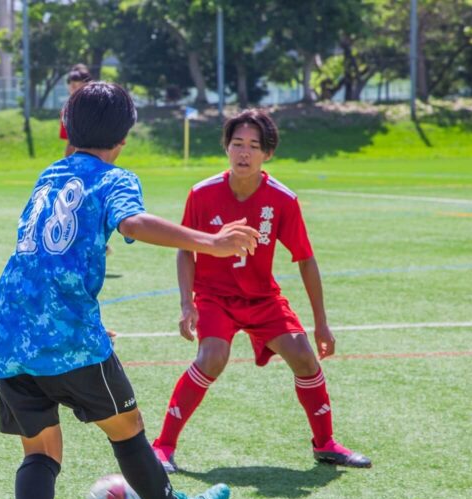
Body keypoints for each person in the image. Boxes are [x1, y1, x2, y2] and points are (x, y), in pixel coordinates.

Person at [0, 82, 261, 499]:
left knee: (40, 450)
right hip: (67, 333)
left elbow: (45, 257)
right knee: (127, 427)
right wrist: (211, 242)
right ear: (125, 136)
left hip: (9, 327)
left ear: (69, 129)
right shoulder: (115, 177)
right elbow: (132, 221)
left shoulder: (51, 174)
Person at [150, 109, 371, 474]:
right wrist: (186, 303)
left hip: (262, 299)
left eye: (254, 146)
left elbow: (305, 259)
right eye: (237, 143)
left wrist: (321, 323)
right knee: (212, 357)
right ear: (226, 147)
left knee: (304, 357)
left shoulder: (282, 199)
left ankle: (325, 444)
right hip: (215, 297)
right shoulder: (202, 193)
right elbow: (185, 250)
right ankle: (163, 446)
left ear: (267, 153)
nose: (244, 153)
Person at [59, 64, 92, 157]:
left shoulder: (94, 105)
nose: (73, 87)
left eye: (77, 84)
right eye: (71, 84)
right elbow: (70, 142)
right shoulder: (68, 108)